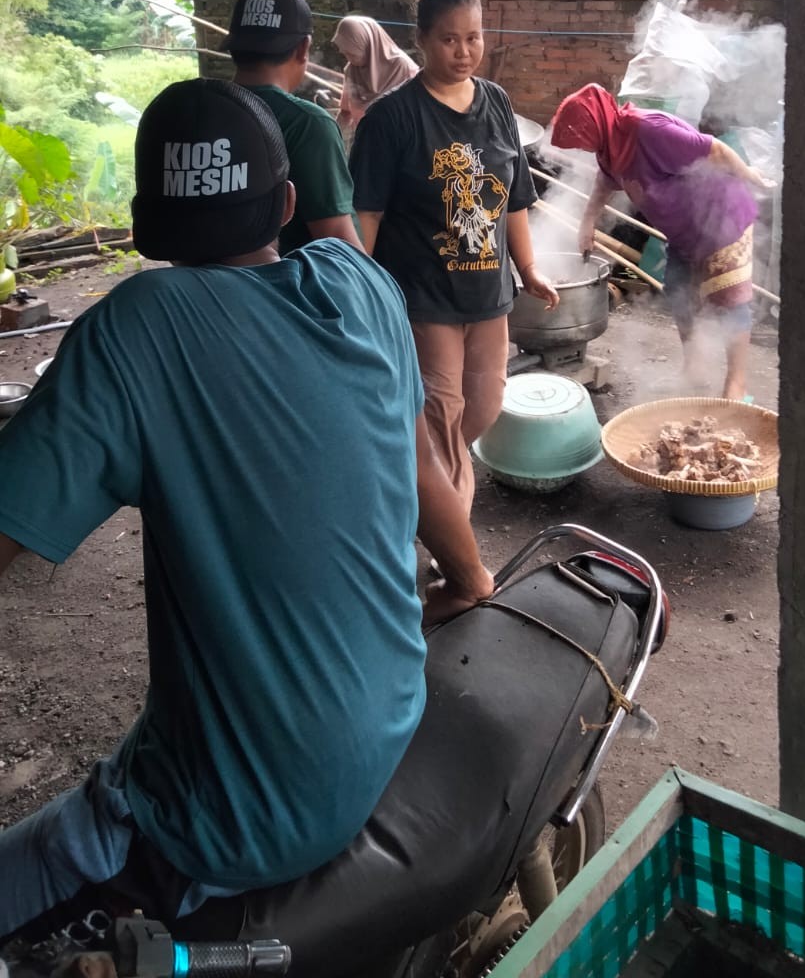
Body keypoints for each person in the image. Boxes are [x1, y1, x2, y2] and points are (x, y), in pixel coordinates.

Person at [0, 79, 492, 938]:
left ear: (148, 219)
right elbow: (420, 464)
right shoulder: (360, 283)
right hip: (386, 719)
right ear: (290, 202)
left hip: (233, 823)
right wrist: (472, 576)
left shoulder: (134, 330)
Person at [350, 0, 559, 512]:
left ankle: (415, 482)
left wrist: (529, 267)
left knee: (483, 407)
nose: (464, 52)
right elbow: (367, 212)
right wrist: (361, 290)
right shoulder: (392, 116)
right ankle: (456, 557)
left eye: (473, 37)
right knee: (443, 416)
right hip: (423, 294)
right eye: (449, 40)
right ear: (421, 40)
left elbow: (514, 197)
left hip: (488, 292)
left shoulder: (497, 102)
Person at [551, 84, 771, 400]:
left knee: (729, 299)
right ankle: (694, 369)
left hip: (723, 217)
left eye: (581, 139)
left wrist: (750, 175)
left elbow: (715, 150)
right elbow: (605, 182)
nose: (582, 148)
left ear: (595, 123)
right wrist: (587, 224)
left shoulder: (648, 129)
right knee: (679, 290)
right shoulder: (609, 145)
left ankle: (736, 385)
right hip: (685, 232)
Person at [226, 0, 359, 252]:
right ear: (303, 48)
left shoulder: (199, 111)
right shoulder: (308, 124)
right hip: (290, 289)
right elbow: (339, 245)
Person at [332, 14, 419, 139]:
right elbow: (345, 113)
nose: (349, 59)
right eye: (346, 54)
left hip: (400, 144)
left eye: (352, 53)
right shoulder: (352, 70)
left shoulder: (403, 68)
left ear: (368, 45)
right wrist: (333, 137)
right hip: (365, 142)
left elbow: (418, 115)